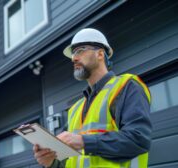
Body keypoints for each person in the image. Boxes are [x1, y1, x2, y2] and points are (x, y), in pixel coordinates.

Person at [33, 28, 152, 168]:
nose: (73, 58)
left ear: (100, 54)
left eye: (79, 51)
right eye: (73, 54)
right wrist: (51, 163)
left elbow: (139, 139)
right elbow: (71, 162)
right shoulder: (75, 109)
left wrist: (83, 141)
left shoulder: (126, 86)